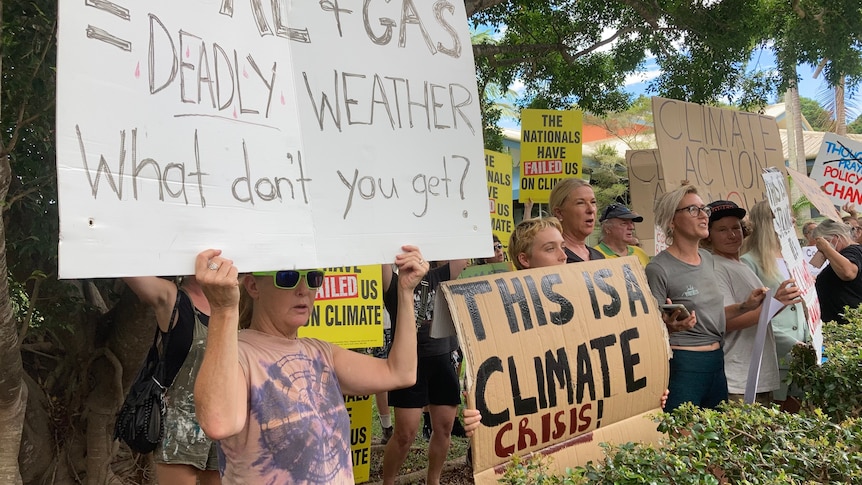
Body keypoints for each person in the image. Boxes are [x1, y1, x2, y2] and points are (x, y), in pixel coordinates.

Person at [193, 247, 481, 483]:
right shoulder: (237, 352)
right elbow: (218, 422)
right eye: (287, 277)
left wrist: (405, 293)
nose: (304, 289)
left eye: (314, 278)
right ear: (254, 286)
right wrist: (223, 310)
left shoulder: (320, 352)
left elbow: (400, 372)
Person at [508, 216, 669, 408]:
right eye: (550, 249)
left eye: (563, 247)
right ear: (524, 259)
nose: (563, 256)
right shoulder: (509, 317)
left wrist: (647, 389)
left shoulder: (587, 300)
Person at [645, 186, 767, 411]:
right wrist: (671, 327)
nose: (703, 215)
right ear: (671, 221)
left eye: (704, 209)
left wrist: (744, 306)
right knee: (683, 439)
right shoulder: (659, 268)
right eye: (693, 209)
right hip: (684, 366)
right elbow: (650, 331)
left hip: (717, 364)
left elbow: (714, 315)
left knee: (715, 439)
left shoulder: (708, 259)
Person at [122, 275, 220, 485]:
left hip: (224, 421)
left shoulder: (234, 300)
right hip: (179, 426)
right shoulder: (171, 297)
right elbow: (128, 269)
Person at [702, 200, 801, 405]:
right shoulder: (715, 267)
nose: (731, 235)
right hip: (738, 379)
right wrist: (777, 304)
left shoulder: (738, 264)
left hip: (756, 376)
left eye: (736, 227)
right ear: (708, 234)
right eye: (722, 229)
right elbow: (725, 322)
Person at [381, 258, 469, 485]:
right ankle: (388, 481)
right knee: (405, 434)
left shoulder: (439, 275)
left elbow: (463, 252)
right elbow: (378, 252)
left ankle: (434, 480)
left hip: (442, 358)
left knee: (444, 428)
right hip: (409, 364)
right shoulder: (393, 282)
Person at [741, 200, 810, 406]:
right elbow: (752, 314)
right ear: (769, 222)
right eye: (785, 215)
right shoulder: (748, 261)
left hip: (802, 351)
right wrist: (790, 343)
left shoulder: (793, 258)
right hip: (776, 352)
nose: (793, 219)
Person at [810, 220, 862, 325]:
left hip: (846, 325)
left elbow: (848, 272)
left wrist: (826, 248)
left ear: (835, 237)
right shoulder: (844, 254)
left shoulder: (852, 251)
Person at [549, 178, 605, 262]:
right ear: (559, 213)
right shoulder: (552, 259)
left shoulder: (599, 257)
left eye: (593, 202)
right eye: (580, 203)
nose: (591, 209)